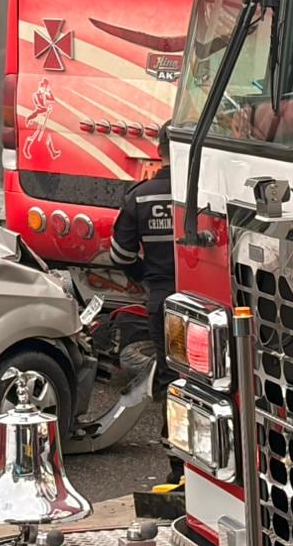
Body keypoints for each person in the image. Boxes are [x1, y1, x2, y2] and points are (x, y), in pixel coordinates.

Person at [109, 121, 182, 486]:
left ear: (159, 150)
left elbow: (120, 252)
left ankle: (178, 464)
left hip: (162, 298)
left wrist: (144, 275)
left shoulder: (141, 197)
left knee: (171, 380)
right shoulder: (203, 193)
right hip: (206, 299)